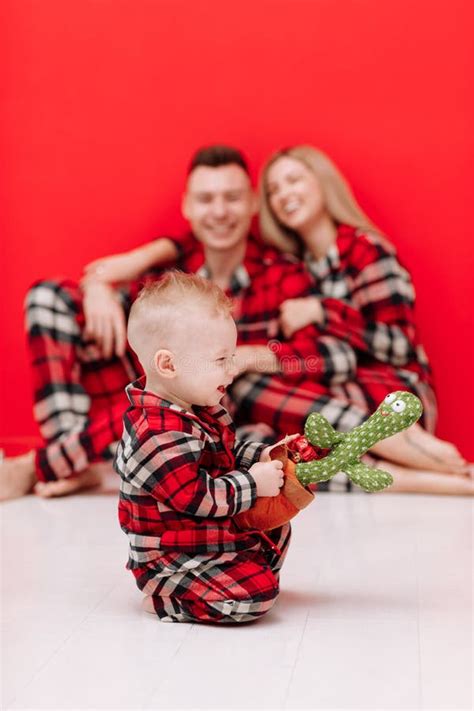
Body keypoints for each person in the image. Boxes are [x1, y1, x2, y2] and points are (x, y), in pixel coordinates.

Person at [1, 145, 471, 499]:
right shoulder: (170, 281)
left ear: (250, 206)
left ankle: (405, 452)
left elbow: (319, 356)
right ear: (187, 207)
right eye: (206, 199)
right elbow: (155, 384)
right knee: (49, 298)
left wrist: (255, 357)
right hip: (184, 417)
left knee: (255, 430)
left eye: (233, 198)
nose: (220, 210)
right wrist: (98, 287)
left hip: (299, 406)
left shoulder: (291, 272)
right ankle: (67, 458)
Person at [258, 144, 473, 491]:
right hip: (335, 402)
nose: (283, 195)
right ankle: (428, 481)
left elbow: (400, 345)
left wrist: (323, 311)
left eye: (293, 180)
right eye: (273, 190)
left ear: (322, 183)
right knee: (289, 450)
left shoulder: (365, 250)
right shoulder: (293, 270)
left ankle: (417, 453)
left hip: (393, 399)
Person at [115, 271, 291, 623]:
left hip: (204, 536)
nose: (232, 369)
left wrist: (265, 455)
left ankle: (240, 571)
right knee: (256, 599)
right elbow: (199, 496)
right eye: (220, 360)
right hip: (172, 556)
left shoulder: (197, 409)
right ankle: (169, 596)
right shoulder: (154, 432)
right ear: (169, 364)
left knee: (277, 524)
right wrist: (253, 484)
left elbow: (225, 455)